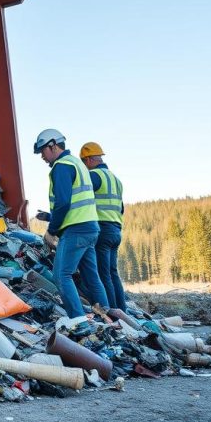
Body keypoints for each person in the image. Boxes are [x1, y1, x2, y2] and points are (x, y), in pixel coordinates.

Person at [32, 129, 110, 319]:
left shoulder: (61, 166)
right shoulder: (77, 164)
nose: (42, 156)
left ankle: (78, 320)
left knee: (61, 276)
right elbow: (75, 203)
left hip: (76, 231)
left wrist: (51, 230)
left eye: (43, 150)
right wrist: (50, 217)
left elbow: (64, 202)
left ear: (53, 145)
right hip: (90, 228)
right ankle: (109, 317)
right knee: (92, 277)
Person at [80, 142, 128, 312]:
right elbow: (121, 208)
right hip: (116, 230)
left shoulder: (94, 176)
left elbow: (80, 199)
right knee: (113, 274)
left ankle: (114, 314)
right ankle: (123, 311)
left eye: (83, 163)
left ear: (89, 160)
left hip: (103, 230)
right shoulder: (116, 179)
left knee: (103, 274)